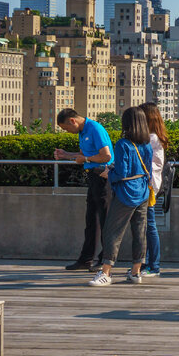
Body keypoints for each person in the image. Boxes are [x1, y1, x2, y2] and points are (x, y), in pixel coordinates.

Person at [87, 107, 153, 287]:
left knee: (112, 231)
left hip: (126, 193)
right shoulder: (147, 143)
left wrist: (109, 174)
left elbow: (122, 172)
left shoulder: (123, 144)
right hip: (143, 191)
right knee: (140, 232)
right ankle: (136, 271)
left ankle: (106, 272)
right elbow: (148, 170)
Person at [54, 108, 114, 271]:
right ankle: (86, 259)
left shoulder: (94, 128)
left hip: (103, 177)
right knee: (91, 221)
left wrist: (85, 159)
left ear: (73, 121)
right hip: (93, 177)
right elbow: (83, 154)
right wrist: (67, 155)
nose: (67, 132)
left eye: (66, 128)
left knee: (104, 220)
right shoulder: (82, 131)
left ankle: (105, 259)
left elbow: (106, 156)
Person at [140, 102, 167, 278]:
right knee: (147, 226)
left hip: (148, 186)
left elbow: (148, 165)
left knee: (150, 225)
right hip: (149, 185)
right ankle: (148, 263)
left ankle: (153, 265)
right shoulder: (155, 137)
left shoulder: (151, 139)